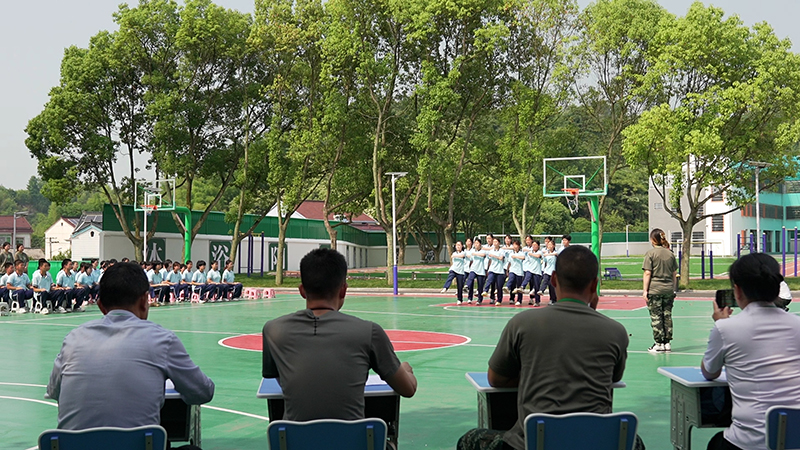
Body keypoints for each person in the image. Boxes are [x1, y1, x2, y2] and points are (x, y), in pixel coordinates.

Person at [457, 246, 638, 450]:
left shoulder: (522, 323)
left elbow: (495, 379)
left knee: (469, 440)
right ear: (594, 285)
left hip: (531, 442)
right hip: (596, 442)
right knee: (634, 441)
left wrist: (531, 374)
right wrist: (593, 313)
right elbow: (612, 377)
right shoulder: (615, 331)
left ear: (553, 279)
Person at [46, 262, 215, 440]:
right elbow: (203, 392)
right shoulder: (162, 340)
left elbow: (54, 391)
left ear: (101, 305)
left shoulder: (73, 339)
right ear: (144, 300)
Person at [262, 248, 416, 422]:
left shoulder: (273, 330)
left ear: (302, 291)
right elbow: (408, 389)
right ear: (343, 290)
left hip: (293, 437)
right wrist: (406, 370)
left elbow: (278, 379)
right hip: (354, 437)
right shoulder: (369, 332)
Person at [701, 253, 800, 450]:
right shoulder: (797, 324)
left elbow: (710, 372)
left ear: (737, 290)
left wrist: (720, 324)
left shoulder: (726, 328)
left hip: (748, 441)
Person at [642, 228, 678, 353]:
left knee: (656, 316)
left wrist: (645, 290)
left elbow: (647, 273)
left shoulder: (650, 254)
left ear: (653, 240)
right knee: (667, 316)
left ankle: (659, 343)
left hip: (655, 289)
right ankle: (667, 343)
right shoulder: (670, 254)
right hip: (668, 289)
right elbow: (674, 274)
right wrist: (673, 288)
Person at [482, 239, 506, 306]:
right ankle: (485, 291)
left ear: (499, 243)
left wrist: (494, 256)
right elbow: (490, 260)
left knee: (499, 286)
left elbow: (501, 258)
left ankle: (499, 300)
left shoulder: (502, 251)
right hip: (492, 269)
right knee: (489, 280)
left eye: (496, 242)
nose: (495, 243)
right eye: (494, 242)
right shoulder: (491, 251)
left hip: (499, 270)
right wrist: (488, 268)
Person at [466, 239, 486, 305]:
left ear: (480, 244)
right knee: (470, 278)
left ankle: (479, 299)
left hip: (480, 270)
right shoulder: (472, 251)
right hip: (473, 269)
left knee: (480, 286)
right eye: (475, 243)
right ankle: (467, 288)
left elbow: (483, 255)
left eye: (477, 243)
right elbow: (471, 258)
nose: (476, 245)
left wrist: (475, 254)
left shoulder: (483, 251)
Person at [505, 240, 525, 306]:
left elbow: (523, 258)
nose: (515, 246)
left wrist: (516, 256)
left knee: (519, 287)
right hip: (512, 270)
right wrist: (507, 270)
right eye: (514, 245)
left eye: (516, 245)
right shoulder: (511, 254)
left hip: (519, 272)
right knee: (512, 282)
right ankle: (511, 297)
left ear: (519, 246)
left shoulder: (521, 253)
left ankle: (519, 300)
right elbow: (509, 262)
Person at [539, 239, 558, 304]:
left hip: (553, 271)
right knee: (545, 280)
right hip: (547, 270)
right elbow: (544, 260)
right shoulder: (546, 253)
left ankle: (553, 299)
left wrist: (548, 255)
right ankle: (541, 290)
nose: (549, 246)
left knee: (552, 286)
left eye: (550, 244)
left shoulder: (556, 253)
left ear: (554, 246)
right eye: (548, 244)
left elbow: (556, 254)